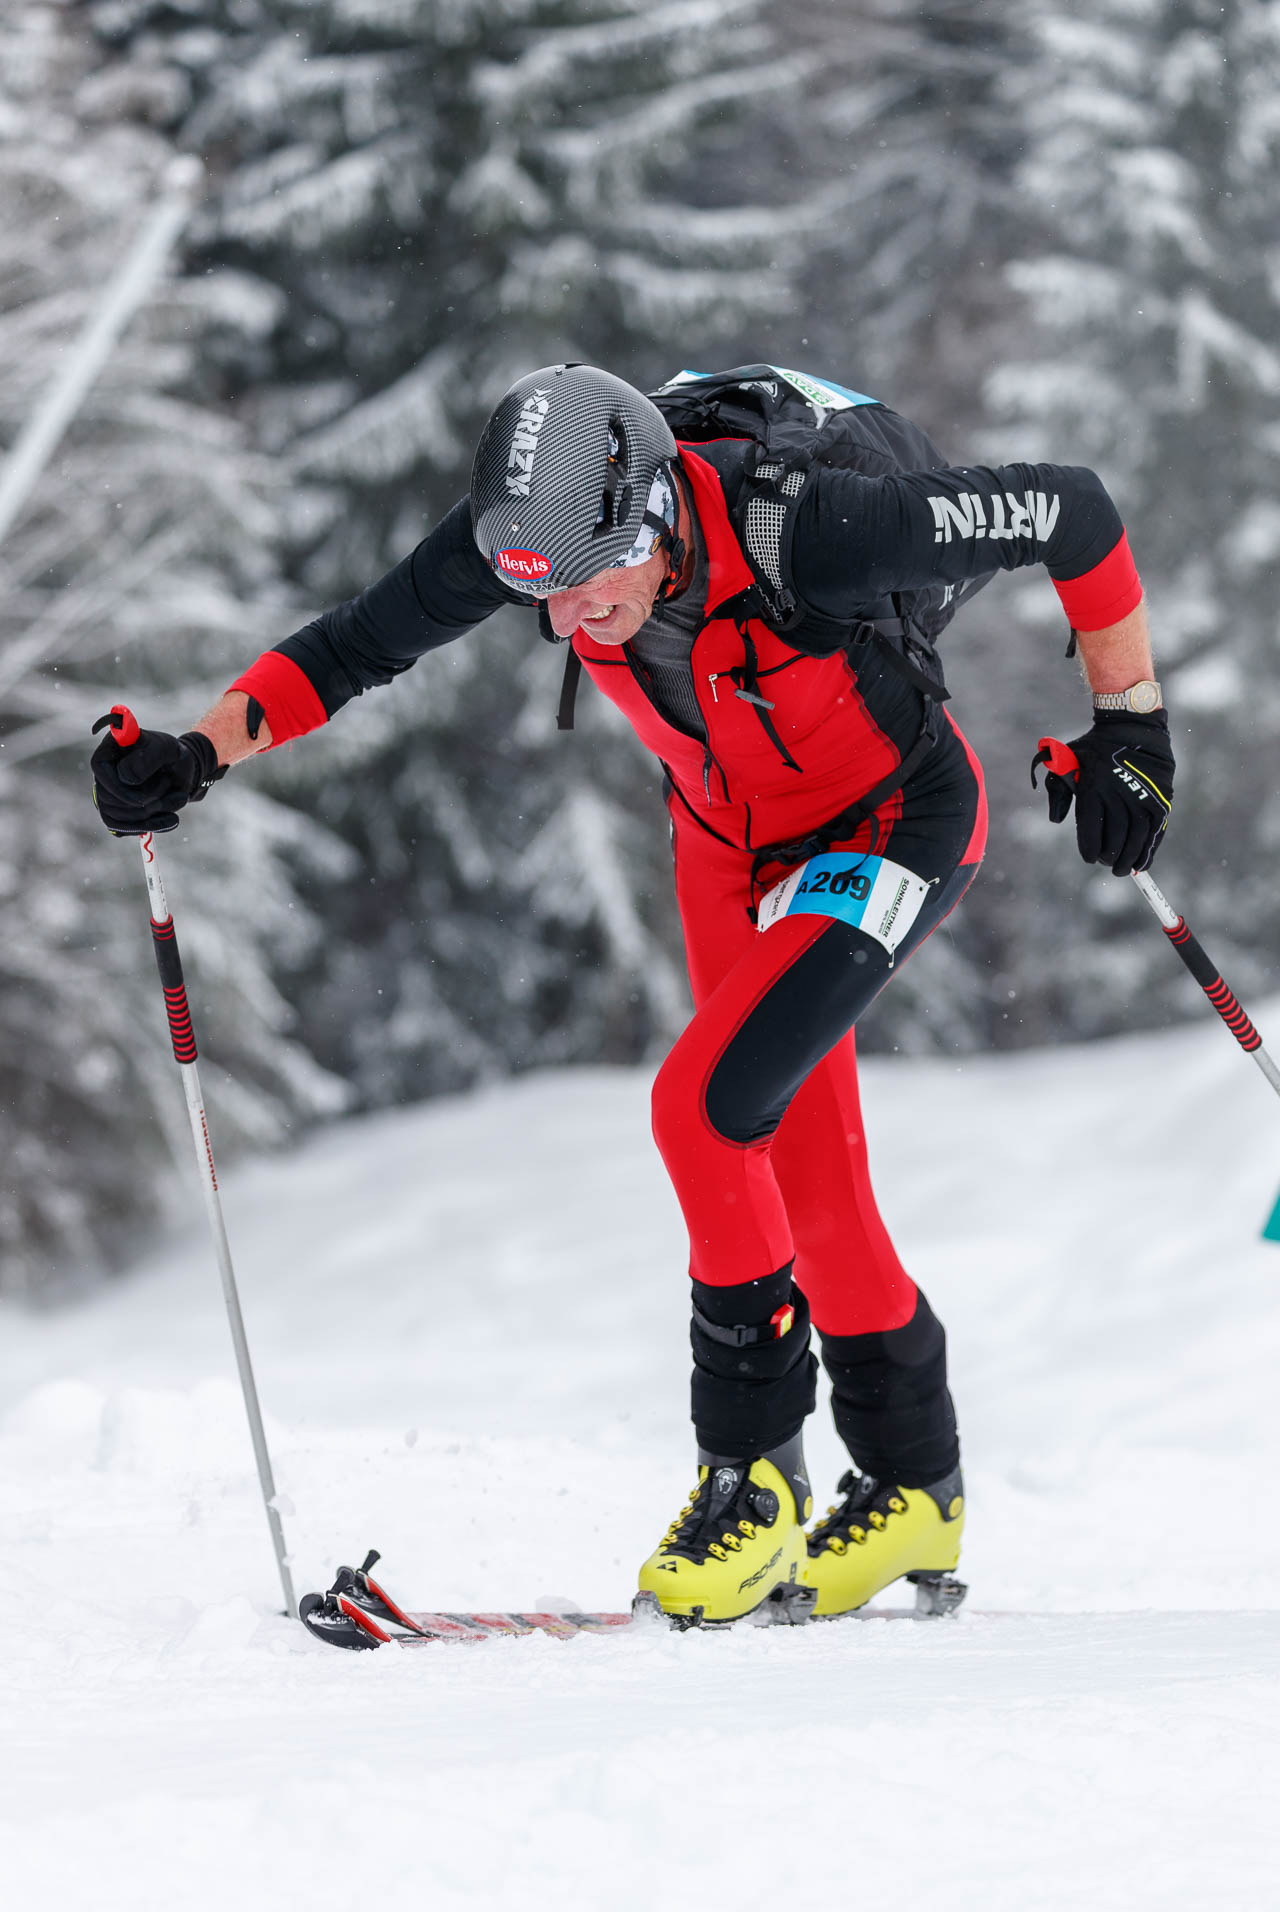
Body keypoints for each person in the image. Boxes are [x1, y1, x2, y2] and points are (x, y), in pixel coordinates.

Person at [92, 361, 1174, 1627]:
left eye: (591, 587)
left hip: (888, 827)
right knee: (804, 1188)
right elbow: (351, 647)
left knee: (702, 1113)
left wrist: (1130, 724)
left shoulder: (815, 529)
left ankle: (751, 1488)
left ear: (657, 514)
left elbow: (1074, 511)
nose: (566, 625)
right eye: (539, 599)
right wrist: (197, 751)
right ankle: (912, 1489)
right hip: (725, 842)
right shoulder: (531, 543)